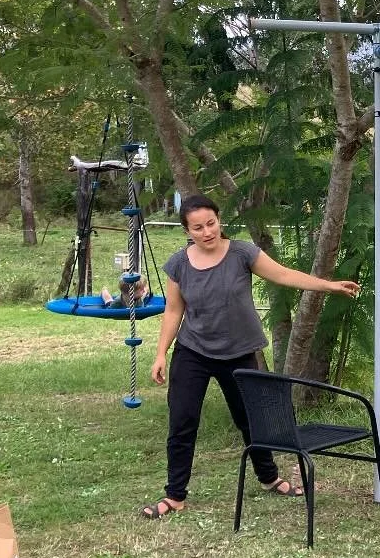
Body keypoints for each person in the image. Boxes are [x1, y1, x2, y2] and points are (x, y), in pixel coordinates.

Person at [139, 194, 361, 520]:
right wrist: (160, 354)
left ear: (219, 221)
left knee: (249, 420)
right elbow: (174, 310)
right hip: (193, 352)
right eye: (198, 227)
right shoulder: (179, 265)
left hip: (239, 352)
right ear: (188, 230)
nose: (207, 232)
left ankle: (269, 477)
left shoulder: (242, 253)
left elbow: (283, 275)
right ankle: (175, 496)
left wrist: (328, 286)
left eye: (211, 223)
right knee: (182, 421)